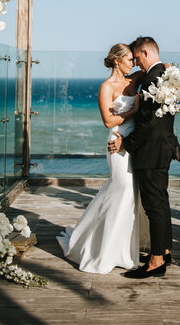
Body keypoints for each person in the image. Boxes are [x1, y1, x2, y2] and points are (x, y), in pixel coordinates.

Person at [56, 43, 149, 274]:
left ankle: (123, 249)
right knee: (122, 189)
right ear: (117, 61)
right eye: (129, 59)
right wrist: (134, 110)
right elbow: (108, 121)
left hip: (135, 142)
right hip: (116, 143)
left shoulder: (134, 79)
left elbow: (160, 68)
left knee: (130, 194)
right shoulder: (106, 87)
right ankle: (99, 247)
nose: (133, 62)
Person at [108, 36, 178, 279]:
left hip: (151, 150)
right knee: (161, 201)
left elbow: (148, 124)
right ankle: (164, 249)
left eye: (137, 58)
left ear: (146, 53)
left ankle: (156, 261)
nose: (136, 63)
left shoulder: (153, 79)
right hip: (164, 147)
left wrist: (125, 143)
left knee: (154, 206)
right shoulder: (167, 74)